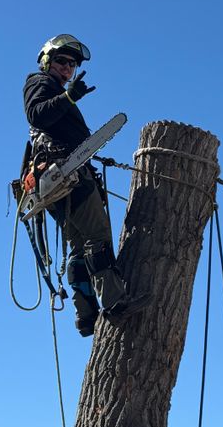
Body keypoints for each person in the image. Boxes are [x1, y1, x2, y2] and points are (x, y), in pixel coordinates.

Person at [23, 34, 145, 336]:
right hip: (65, 173)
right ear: (48, 61)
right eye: (63, 62)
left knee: (78, 246)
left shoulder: (52, 90)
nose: (68, 69)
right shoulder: (39, 83)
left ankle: (86, 314)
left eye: (72, 65)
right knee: (97, 236)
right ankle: (115, 301)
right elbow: (36, 114)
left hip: (57, 179)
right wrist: (67, 98)